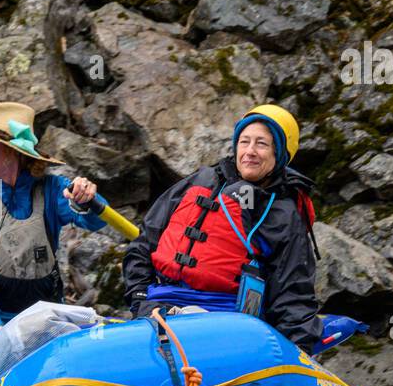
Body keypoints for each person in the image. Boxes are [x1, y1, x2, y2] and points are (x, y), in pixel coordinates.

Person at [122, 104, 322, 352]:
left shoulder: (283, 214)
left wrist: (297, 351)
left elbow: (293, 292)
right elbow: (143, 245)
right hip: (156, 306)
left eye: (261, 144)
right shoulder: (201, 181)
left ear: (279, 153)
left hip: (225, 322)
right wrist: (139, 297)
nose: (250, 151)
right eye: (244, 141)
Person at [0, 101, 108, 346]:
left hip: (46, 319)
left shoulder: (52, 188)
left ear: (12, 151)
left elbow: (95, 222)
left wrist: (88, 199)